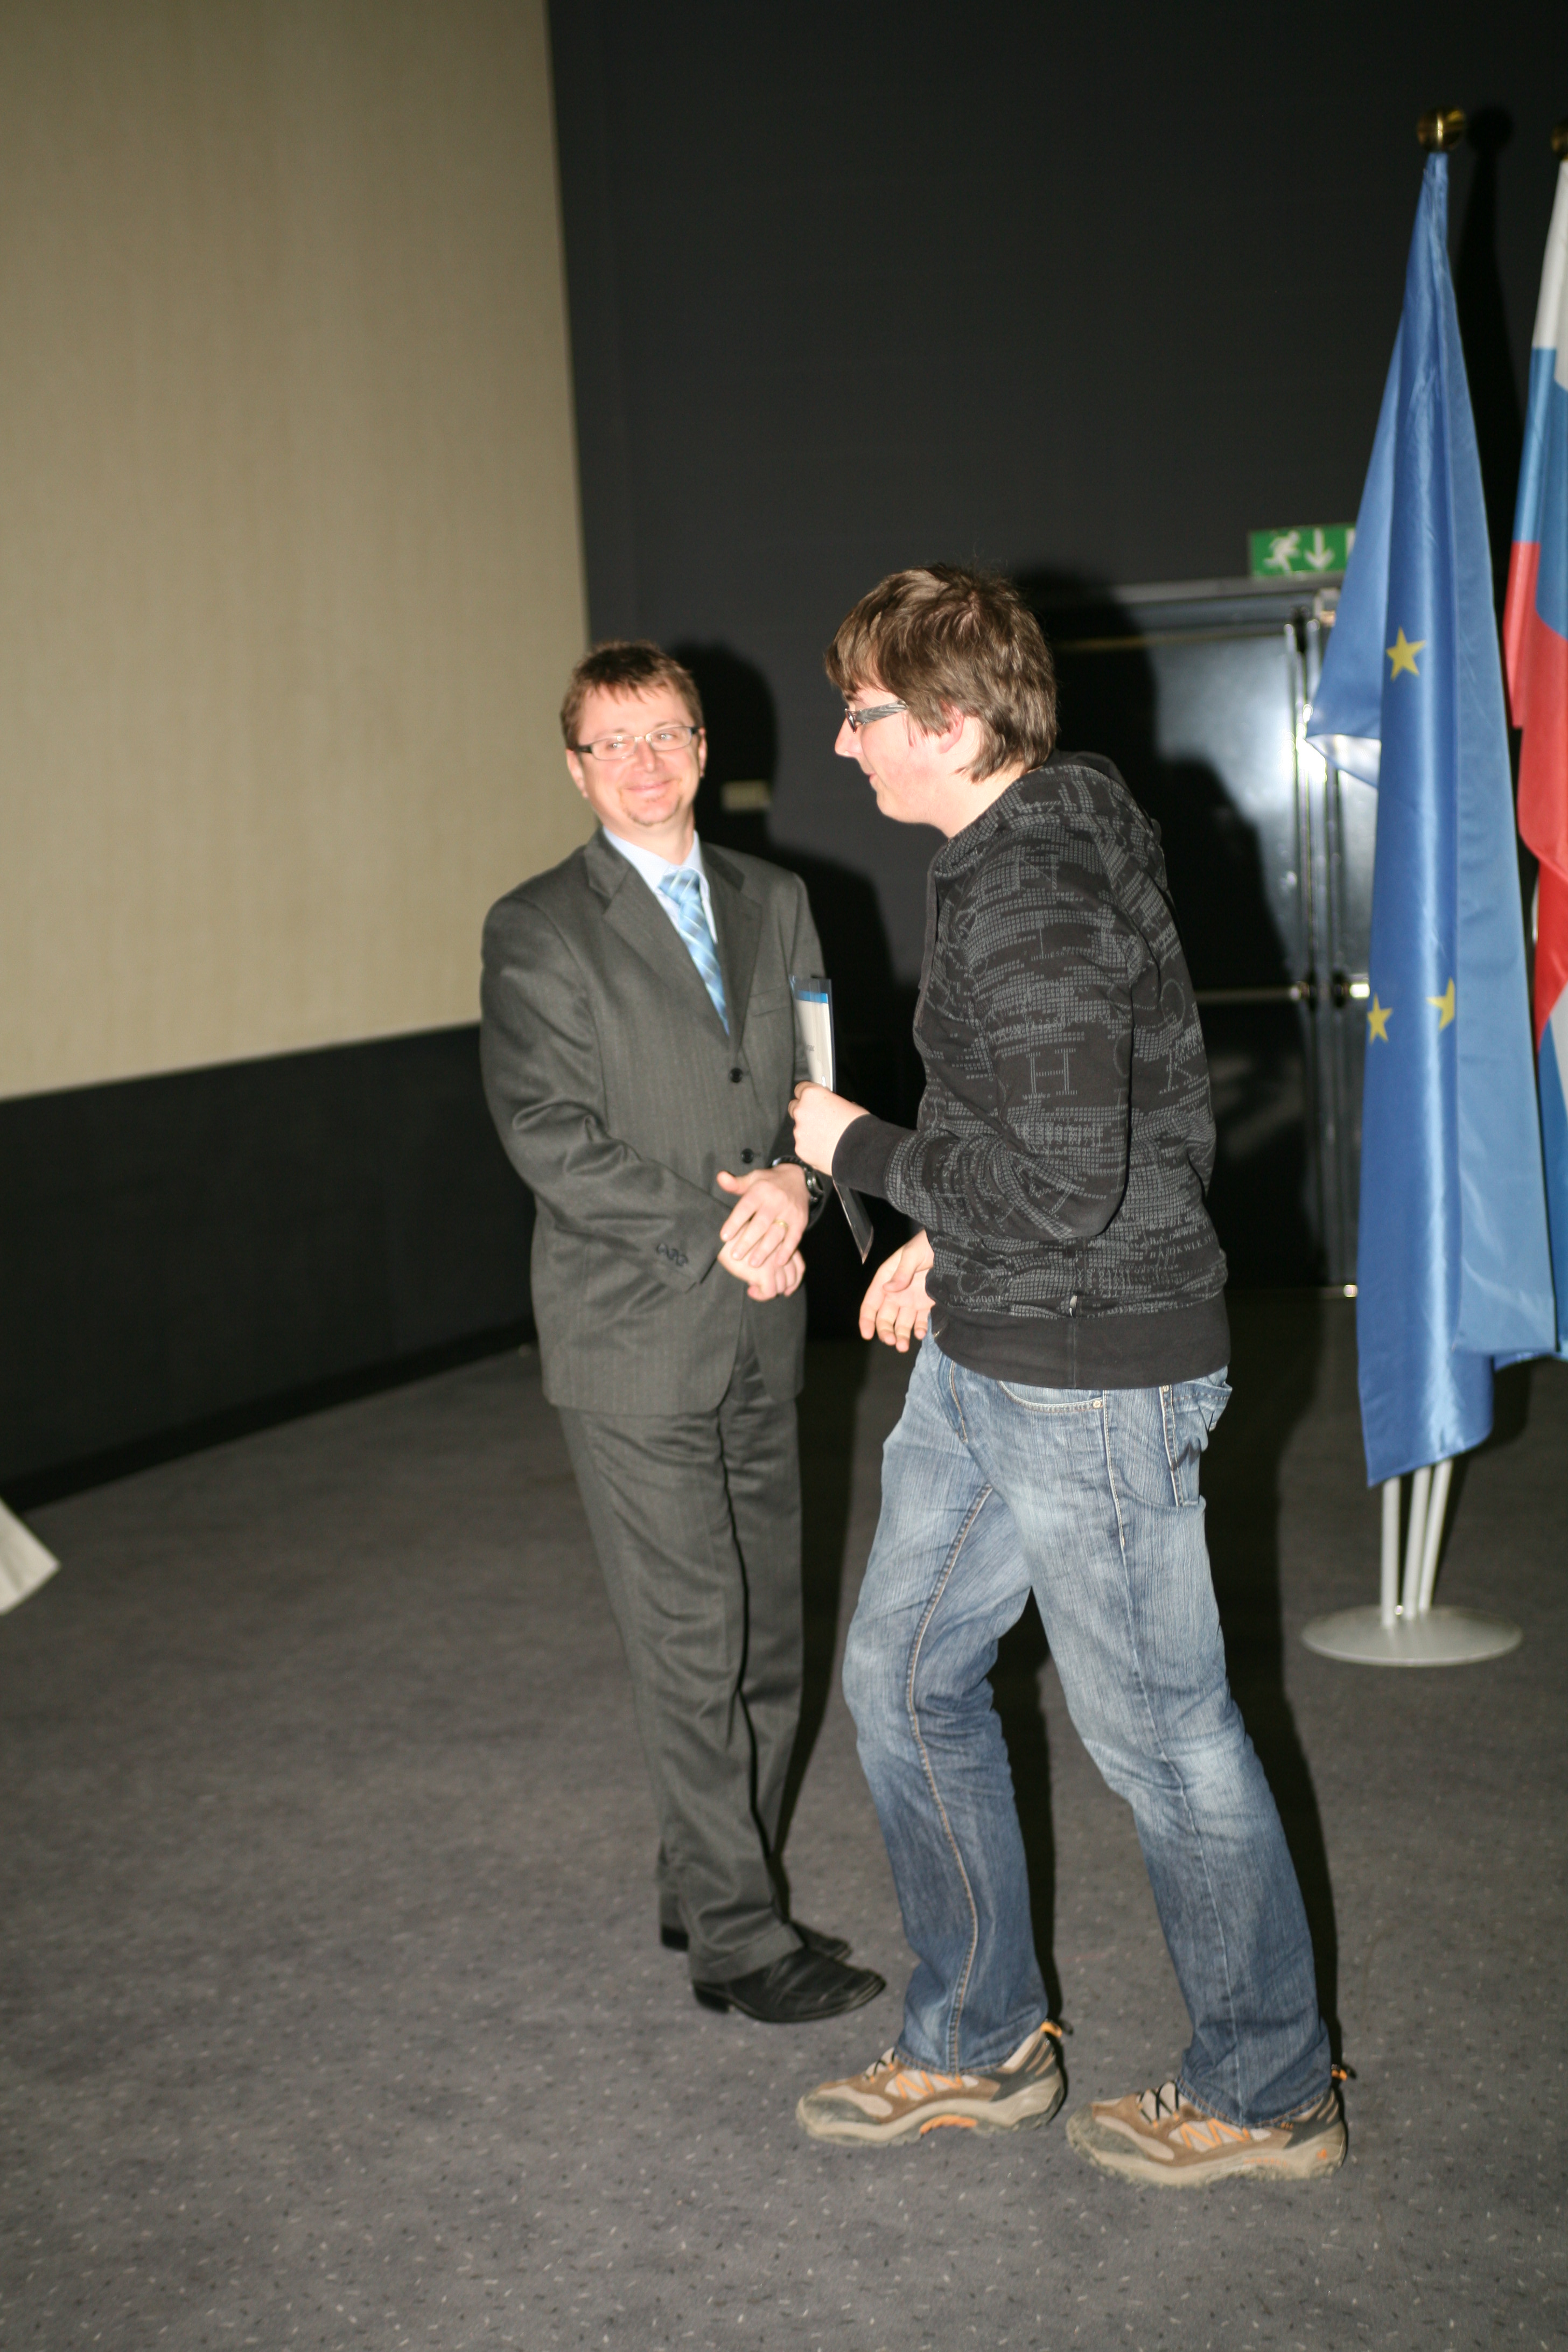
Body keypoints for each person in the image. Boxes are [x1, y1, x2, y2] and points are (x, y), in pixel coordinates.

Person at [788, 567, 1345, 2182]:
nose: (844, 745)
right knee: (903, 1676)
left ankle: (1267, 2089)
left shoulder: (1029, 890)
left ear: (953, 721)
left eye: (865, 715)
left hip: (1089, 1374)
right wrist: (941, 1243)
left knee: (1165, 1739)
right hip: (1001, 1339)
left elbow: (1060, 1182)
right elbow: (1060, 1139)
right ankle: (979, 2042)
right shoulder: (1020, 848)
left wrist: (861, 1152)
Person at [479, 640, 883, 2027]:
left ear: (704, 748)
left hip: (764, 1321)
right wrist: (728, 1222)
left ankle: (695, 1871)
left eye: (666, 734)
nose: (643, 762)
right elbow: (547, 1135)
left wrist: (799, 1189)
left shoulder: (779, 901)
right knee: (693, 1637)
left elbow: (814, 1086)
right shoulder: (537, 925)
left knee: (768, 1634)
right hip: (632, 1334)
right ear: (575, 768)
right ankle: (737, 1939)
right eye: (613, 743)